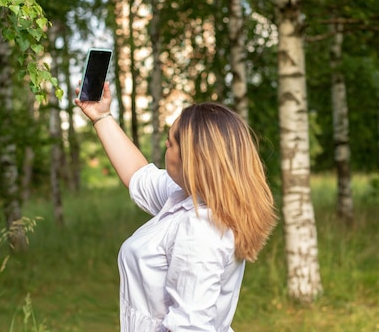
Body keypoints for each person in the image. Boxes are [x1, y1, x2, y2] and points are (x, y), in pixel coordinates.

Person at [75, 82, 278, 332]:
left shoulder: (202, 229)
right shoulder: (188, 197)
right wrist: (101, 116)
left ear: (194, 159)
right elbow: (139, 176)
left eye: (171, 143)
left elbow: (190, 327)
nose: (165, 148)